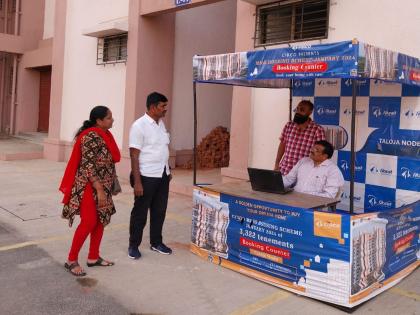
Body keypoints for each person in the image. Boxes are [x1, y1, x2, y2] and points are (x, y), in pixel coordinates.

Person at [59, 106, 121, 276]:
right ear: (99, 121)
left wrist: (106, 187)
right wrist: (99, 189)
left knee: (101, 220)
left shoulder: (106, 134)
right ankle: (71, 260)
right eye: (109, 118)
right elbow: (87, 166)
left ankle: (93, 257)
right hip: (89, 185)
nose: (112, 120)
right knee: (89, 221)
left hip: (103, 186)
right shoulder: (91, 136)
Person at [128, 92, 172, 259]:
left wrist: (168, 170)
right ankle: (133, 245)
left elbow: (162, 148)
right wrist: (137, 182)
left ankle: (156, 242)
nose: (165, 110)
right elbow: (134, 155)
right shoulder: (139, 126)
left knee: (159, 211)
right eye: (162, 106)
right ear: (153, 107)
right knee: (140, 212)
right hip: (146, 176)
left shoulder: (161, 124)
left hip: (162, 175)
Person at [274, 100, 325, 175]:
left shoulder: (317, 130)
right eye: (297, 109)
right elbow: (282, 146)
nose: (298, 112)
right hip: (284, 170)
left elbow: (320, 154)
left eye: (302, 110)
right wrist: (276, 165)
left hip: (303, 174)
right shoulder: (289, 125)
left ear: (310, 112)